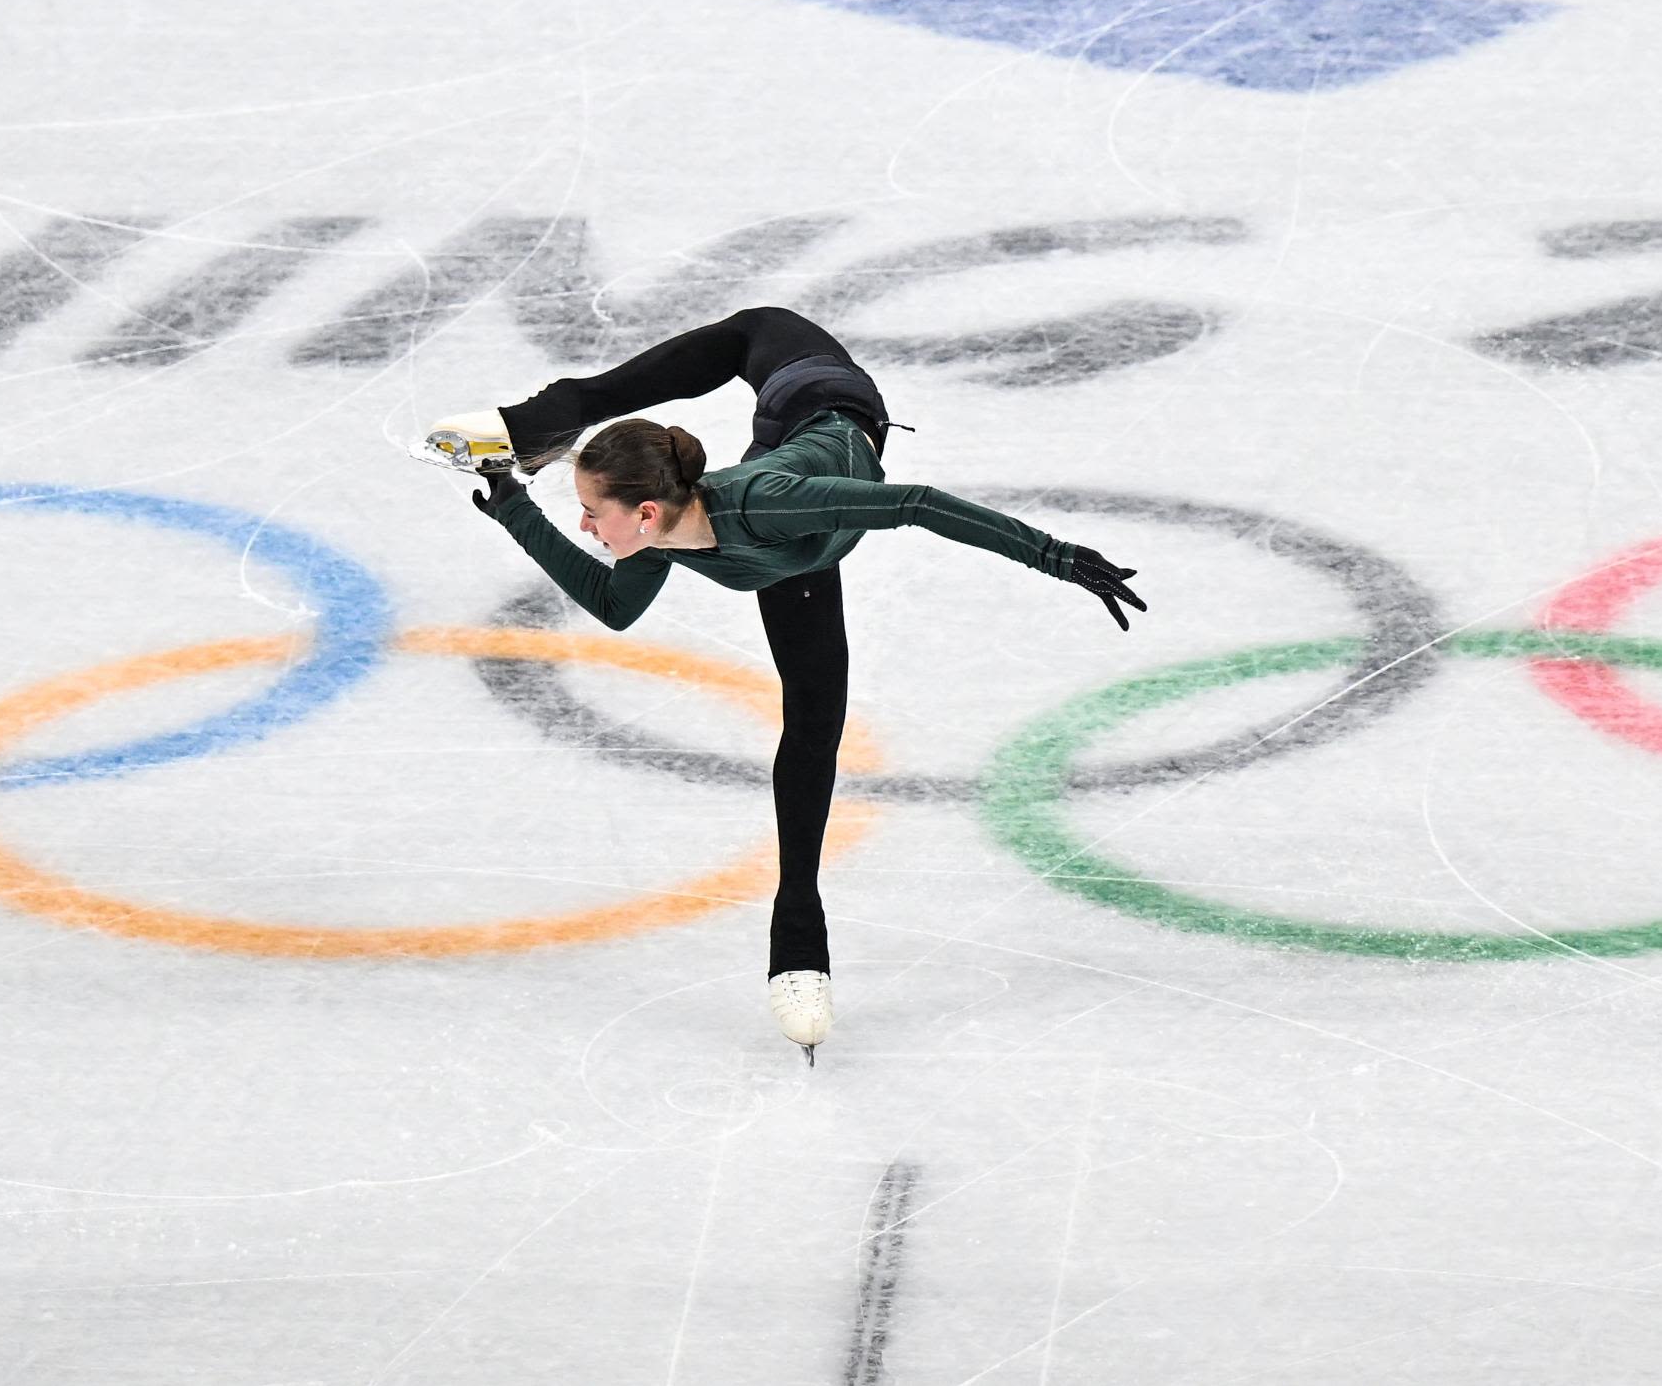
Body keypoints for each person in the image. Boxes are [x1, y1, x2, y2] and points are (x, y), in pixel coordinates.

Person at [420, 306, 1146, 1053]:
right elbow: (612, 606)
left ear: (641, 509)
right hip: (792, 525)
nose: (583, 527)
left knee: (746, 335)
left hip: (817, 400)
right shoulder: (658, 536)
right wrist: (513, 507)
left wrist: (1055, 556)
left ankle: (554, 414)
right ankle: (799, 928)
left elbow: (916, 504)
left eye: (587, 512)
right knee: (812, 724)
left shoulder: (765, 504)